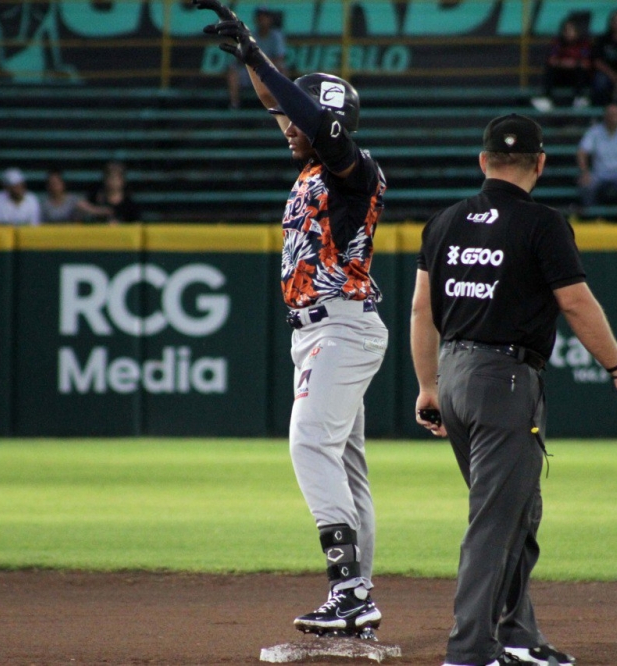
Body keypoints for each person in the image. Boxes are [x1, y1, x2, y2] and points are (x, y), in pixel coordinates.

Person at [410, 113, 617, 666]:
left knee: (519, 512)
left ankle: (518, 635)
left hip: (455, 375)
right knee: (495, 521)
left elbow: (423, 309)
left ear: (482, 161)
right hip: (504, 381)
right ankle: (470, 650)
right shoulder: (542, 223)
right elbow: (575, 301)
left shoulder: (442, 222)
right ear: (540, 163)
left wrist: (428, 387)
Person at [200, 0, 389, 640]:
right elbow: (288, 108)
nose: (283, 123)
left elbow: (311, 118)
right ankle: (358, 599)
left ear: (329, 123)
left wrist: (258, 56)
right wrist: (253, 53)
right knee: (347, 466)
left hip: (341, 326)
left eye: (297, 116)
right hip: (319, 331)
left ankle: (347, 591)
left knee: (308, 443)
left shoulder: (352, 170)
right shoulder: (314, 164)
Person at [576, 103, 617, 207]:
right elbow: (582, 152)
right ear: (605, 116)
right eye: (610, 114)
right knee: (586, 185)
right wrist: (585, 172)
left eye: (615, 114)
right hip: (599, 174)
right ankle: (592, 218)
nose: (612, 117)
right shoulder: (594, 132)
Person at [226, 7, 286, 110]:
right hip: (251, 70)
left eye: (265, 17)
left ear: (270, 19)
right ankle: (234, 105)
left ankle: (283, 104)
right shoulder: (249, 35)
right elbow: (241, 58)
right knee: (233, 71)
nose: (262, 19)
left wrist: (262, 64)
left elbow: (279, 58)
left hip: (268, 70)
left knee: (282, 69)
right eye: (260, 17)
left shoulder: (276, 35)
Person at [532, 18, 592, 112]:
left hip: (575, 78)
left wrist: (568, 63)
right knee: (550, 69)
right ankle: (546, 98)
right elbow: (551, 61)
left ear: (576, 32)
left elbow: (585, 64)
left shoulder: (583, 44)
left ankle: (579, 98)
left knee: (580, 70)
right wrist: (570, 63)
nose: (567, 33)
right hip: (560, 77)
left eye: (570, 30)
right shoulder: (558, 43)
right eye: (565, 30)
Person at [41, 169, 109, 223]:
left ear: (62, 184)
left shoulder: (72, 200)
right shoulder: (45, 204)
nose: (54, 186)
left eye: (56, 183)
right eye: (52, 183)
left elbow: (91, 209)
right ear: (48, 186)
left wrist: (105, 211)